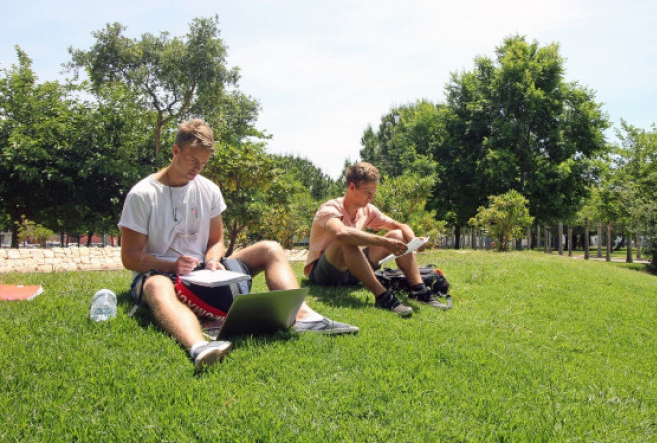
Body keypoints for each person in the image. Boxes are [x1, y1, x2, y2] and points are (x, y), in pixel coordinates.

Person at [119, 119, 357, 372]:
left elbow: (216, 241)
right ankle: (199, 346)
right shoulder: (143, 194)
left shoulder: (208, 189)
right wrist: (172, 264)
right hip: (161, 273)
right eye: (192, 160)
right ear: (175, 151)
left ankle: (302, 316)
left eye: (204, 162)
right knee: (156, 285)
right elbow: (131, 258)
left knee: (270, 248)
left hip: (204, 272)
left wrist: (212, 259)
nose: (197, 168)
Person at [304, 162, 449, 316]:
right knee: (346, 239)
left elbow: (400, 225)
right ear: (351, 187)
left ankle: (419, 290)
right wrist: (384, 242)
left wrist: (413, 239)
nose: (371, 197)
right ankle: (383, 297)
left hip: (351, 271)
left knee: (397, 235)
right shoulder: (329, 209)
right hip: (323, 274)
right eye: (367, 192)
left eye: (373, 192)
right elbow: (341, 233)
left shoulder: (366, 210)